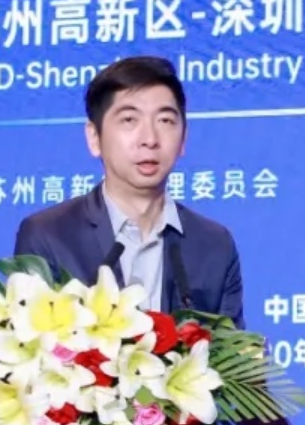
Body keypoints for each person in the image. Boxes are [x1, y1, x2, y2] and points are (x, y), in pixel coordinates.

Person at [13, 55, 243, 325]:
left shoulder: (214, 245)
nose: (149, 139)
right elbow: (29, 337)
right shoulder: (49, 235)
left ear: (183, 138)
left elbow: (233, 348)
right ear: (94, 137)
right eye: (129, 120)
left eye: (165, 121)